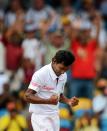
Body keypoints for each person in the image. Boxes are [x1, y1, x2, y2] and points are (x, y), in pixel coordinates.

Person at [24, 50, 79, 131]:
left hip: (55, 115)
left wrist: (68, 101)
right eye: (61, 68)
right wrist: (48, 101)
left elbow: (58, 95)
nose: (63, 72)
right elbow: (27, 96)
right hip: (40, 116)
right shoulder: (41, 74)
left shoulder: (64, 75)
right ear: (54, 61)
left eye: (66, 69)